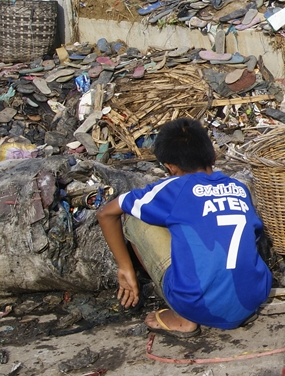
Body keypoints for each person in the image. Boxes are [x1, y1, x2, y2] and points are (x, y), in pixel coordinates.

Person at [97, 118, 272, 337]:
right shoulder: (237, 187)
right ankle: (232, 303)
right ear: (213, 156)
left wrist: (125, 268)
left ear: (170, 167)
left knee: (134, 218)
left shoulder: (173, 188)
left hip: (197, 305)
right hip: (254, 297)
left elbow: (105, 213)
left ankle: (184, 318)